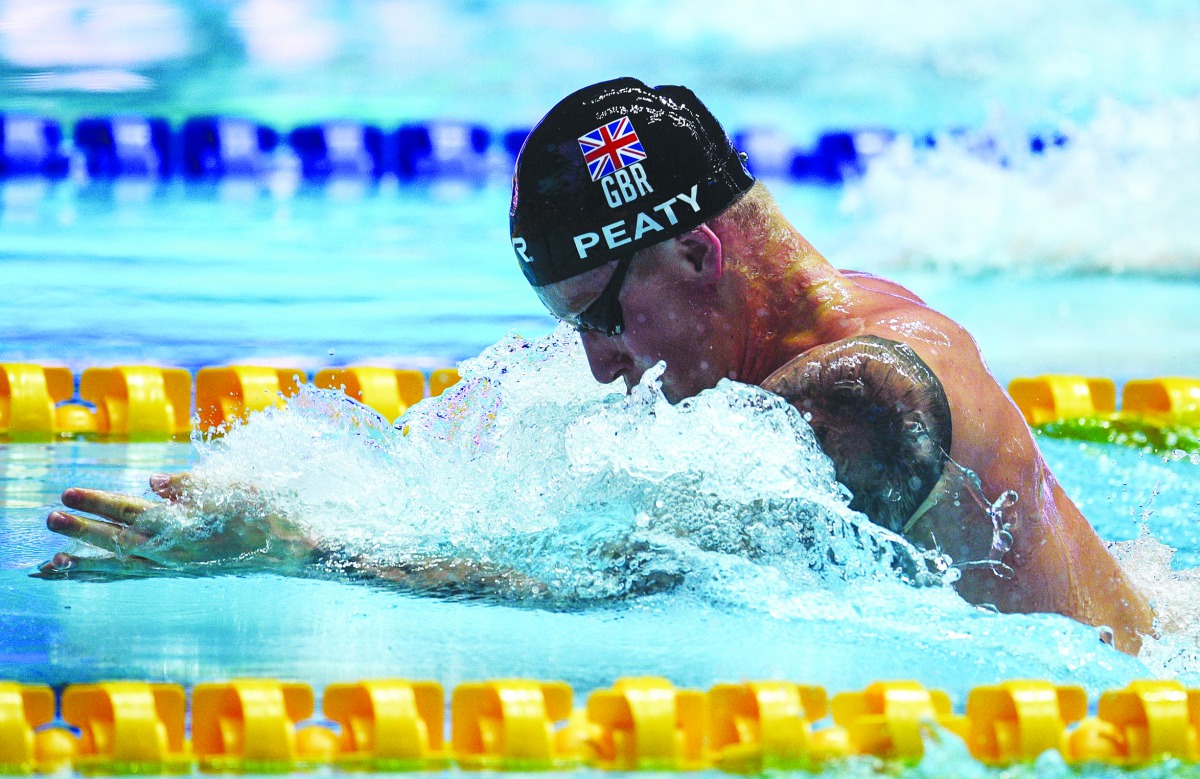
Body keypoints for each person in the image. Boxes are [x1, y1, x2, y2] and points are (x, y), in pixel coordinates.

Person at [42, 78, 1154, 652]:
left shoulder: (864, 394)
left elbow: (615, 586)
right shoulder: (821, 333)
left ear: (698, 248)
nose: (602, 366)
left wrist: (299, 548)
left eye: (606, 317)